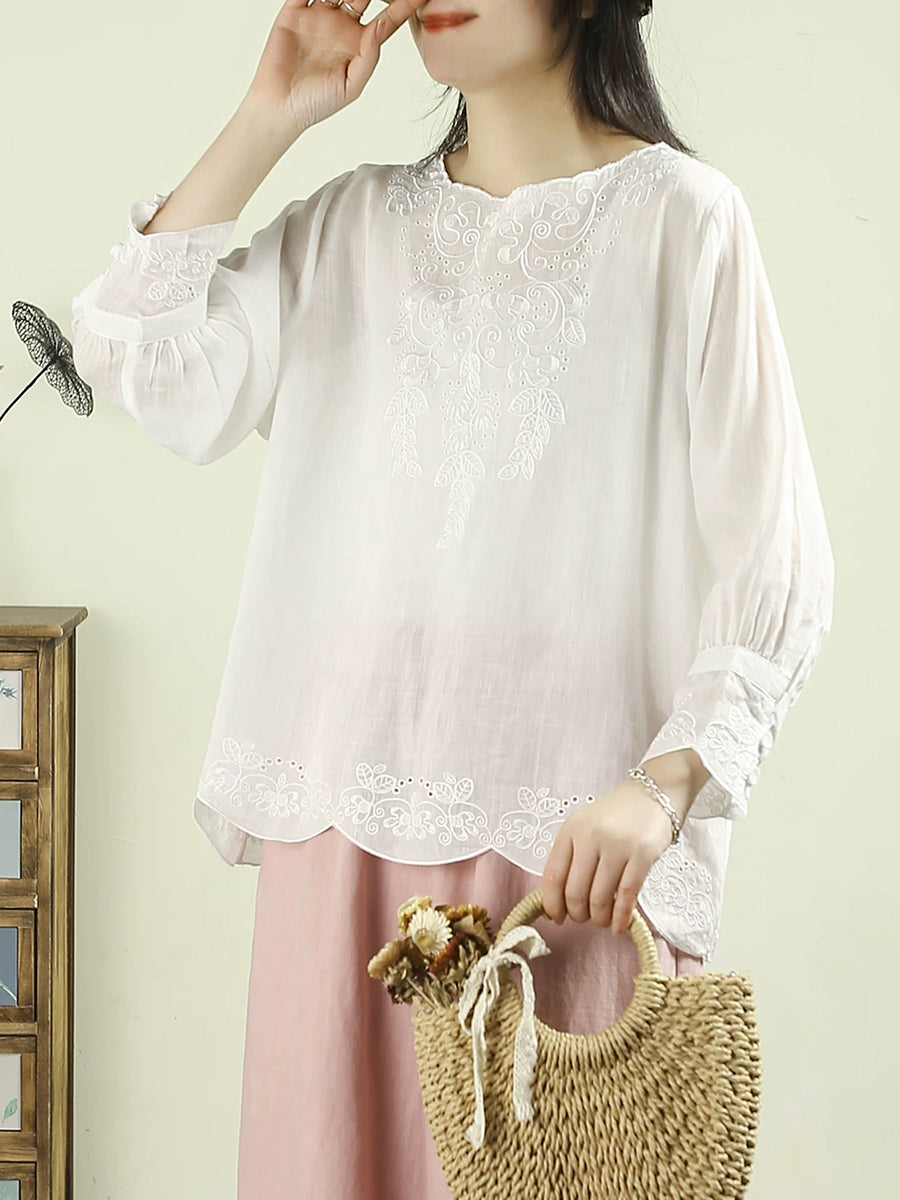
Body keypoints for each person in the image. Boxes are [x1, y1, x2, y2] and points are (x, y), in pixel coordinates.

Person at [70, 0, 835, 1195]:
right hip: (344, 849)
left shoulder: (686, 222)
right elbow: (139, 356)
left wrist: (662, 787)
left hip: (569, 866)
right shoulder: (351, 227)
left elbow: (777, 559)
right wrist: (269, 114)